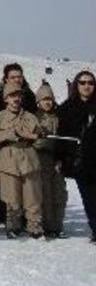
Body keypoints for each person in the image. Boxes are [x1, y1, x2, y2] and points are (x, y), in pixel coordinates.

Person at [0, 85, 44, 239]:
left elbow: (39, 141)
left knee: (33, 197)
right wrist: (9, 134)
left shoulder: (31, 117)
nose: (16, 99)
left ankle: (34, 227)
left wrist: (38, 138)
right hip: (8, 160)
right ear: (6, 99)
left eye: (18, 96)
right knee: (11, 198)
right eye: (12, 96)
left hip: (28, 159)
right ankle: (12, 225)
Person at [57, 70, 96, 242]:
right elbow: (61, 136)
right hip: (81, 162)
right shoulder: (67, 108)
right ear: (76, 85)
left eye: (90, 83)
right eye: (83, 82)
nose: (87, 86)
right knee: (89, 199)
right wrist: (59, 158)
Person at [33, 82, 67, 238]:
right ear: (38, 101)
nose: (47, 102)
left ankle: (58, 225)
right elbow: (32, 140)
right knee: (45, 194)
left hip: (57, 160)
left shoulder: (60, 116)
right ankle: (48, 226)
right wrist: (41, 141)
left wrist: (61, 157)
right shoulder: (34, 118)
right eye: (44, 99)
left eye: (50, 99)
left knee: (59, 194)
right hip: (41, 159)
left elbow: (64, 139)